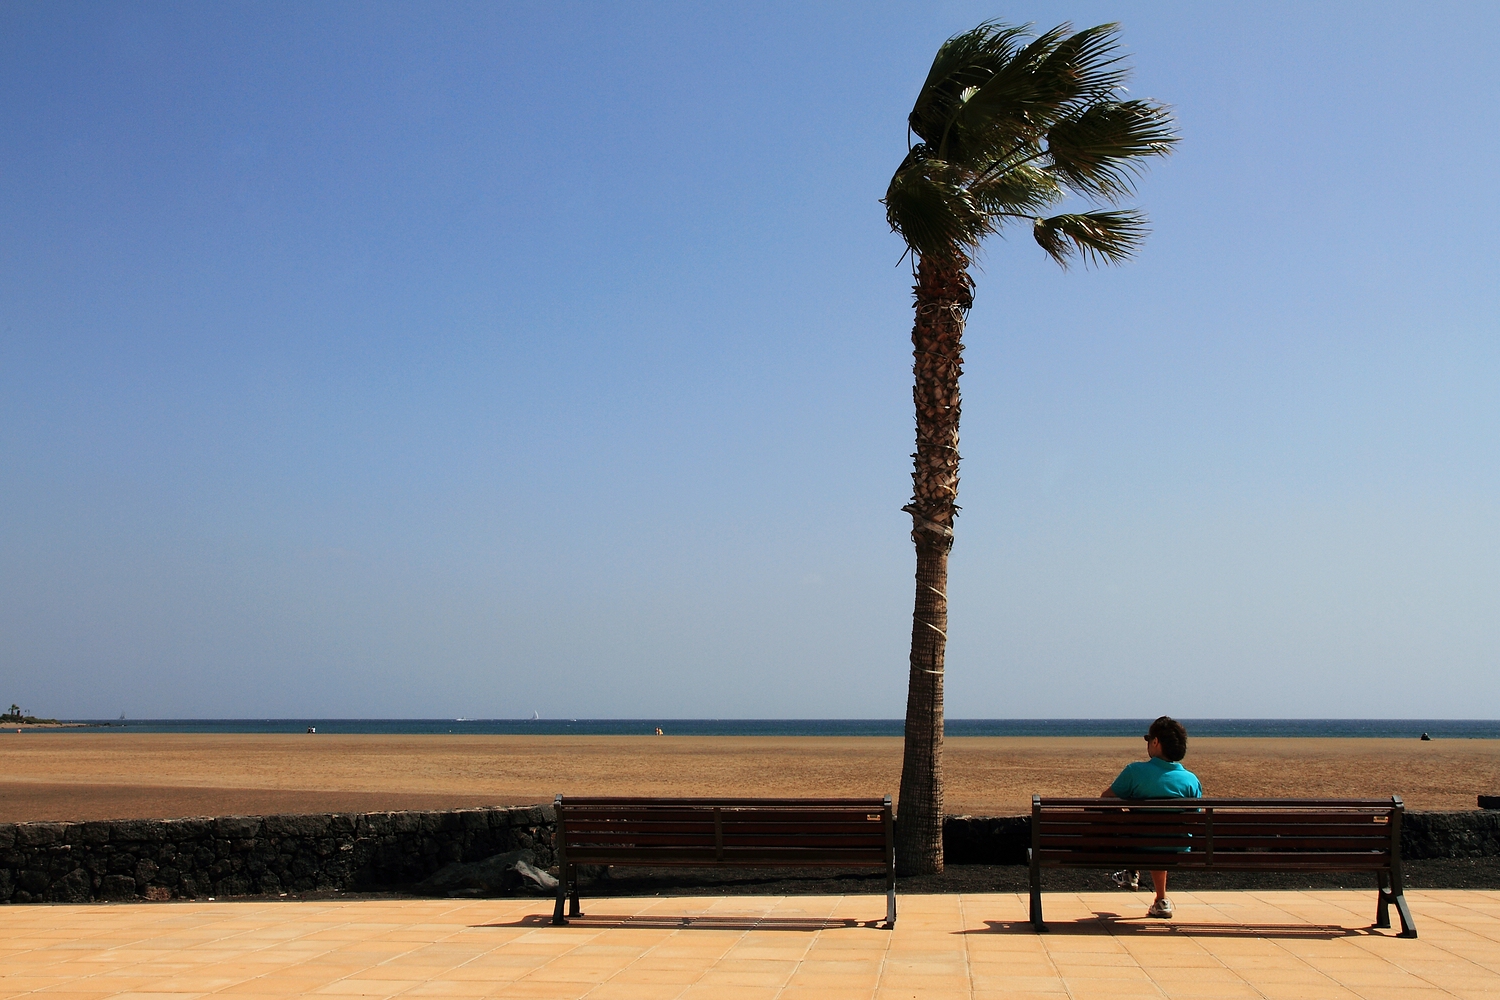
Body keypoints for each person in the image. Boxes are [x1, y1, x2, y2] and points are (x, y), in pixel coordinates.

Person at [1102, 715, 1201, 919]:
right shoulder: (1191, 780)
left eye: (1149, 739)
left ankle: (1131, 871)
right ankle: (1161, 899)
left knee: (1141, 831)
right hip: (1177, 847)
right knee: (1160, 834)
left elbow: (1105, 799)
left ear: (1156, 742)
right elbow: (1195, 818)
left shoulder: (1135, 771)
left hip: (1141, 846)